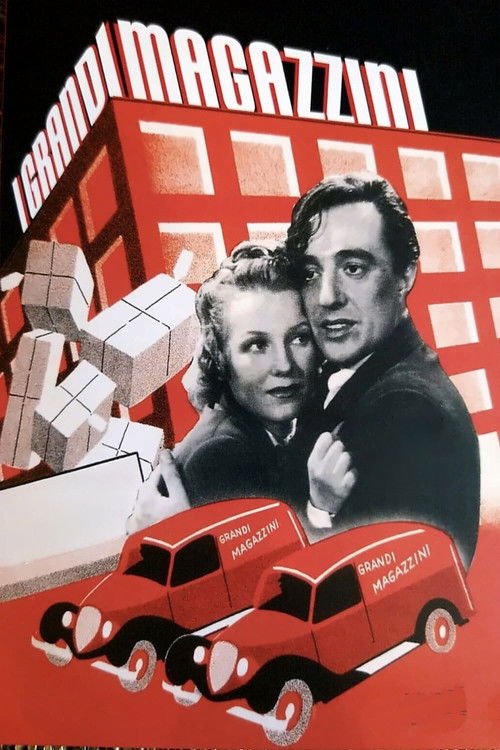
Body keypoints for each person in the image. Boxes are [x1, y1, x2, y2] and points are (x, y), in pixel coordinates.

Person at [285, 171, 480, 567]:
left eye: (354, 267)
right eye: (311, 273)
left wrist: (319, 513)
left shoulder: (403, 408)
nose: (326, 297)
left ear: (405, 274)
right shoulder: (350, 375)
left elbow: (372, 583)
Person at [126, 242, 355, 534]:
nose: (284, 365)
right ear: (221, 356)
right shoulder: (223, 456)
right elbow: (273, 560)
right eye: (257, 345)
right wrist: (322, 507)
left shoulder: (267, 430)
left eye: (299, 338)